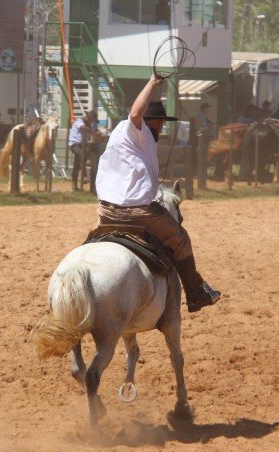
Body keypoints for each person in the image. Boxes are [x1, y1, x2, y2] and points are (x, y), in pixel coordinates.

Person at [94, 74, 221, 313]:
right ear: (148, 120)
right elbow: (134, 114)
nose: (162, 126)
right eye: (159, 121)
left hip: (104, 212)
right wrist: (152, 83)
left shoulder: (123, 137)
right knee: (181, 239)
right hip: (137, 212)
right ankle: (195, 294)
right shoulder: (136, 129)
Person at [68, 110, 99, 191]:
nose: (92, 121)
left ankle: (74, 186)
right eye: (92, 120)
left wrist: (96, 133)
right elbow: (83, 128)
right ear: (88, 118)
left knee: (77, 165)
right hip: (74, 144)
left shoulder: (89, 126)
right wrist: (93, 132)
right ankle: (85, 176)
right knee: (82, 156)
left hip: (82, 145)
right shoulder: (79, 121)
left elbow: (90, 134)